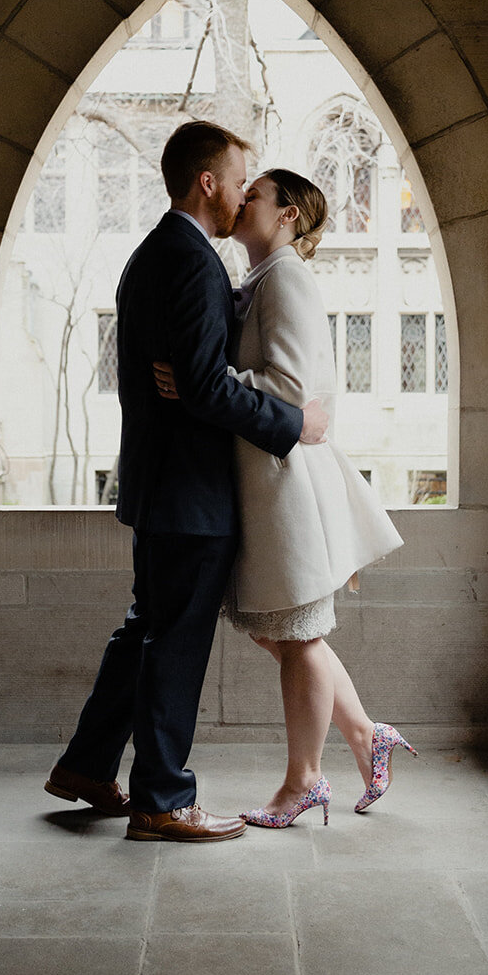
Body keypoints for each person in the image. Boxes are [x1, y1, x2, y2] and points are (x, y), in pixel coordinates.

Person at [44, 123, 328, 843]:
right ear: (208, 183)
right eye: (238, 180)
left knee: (145, 630)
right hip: (190, 494)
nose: (242, 193)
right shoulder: (194, 262)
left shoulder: (154, 254)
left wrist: (196, 386)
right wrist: (293, 424)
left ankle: (84, 766)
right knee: (173, 643)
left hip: (157, 483)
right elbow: (202, 387)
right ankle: (163, 800)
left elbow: (187, 382)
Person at [156, 169, 416, 828]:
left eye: (256, 194)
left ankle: (303, 781)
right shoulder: (263, 279)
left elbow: (294, 391)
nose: (242, 200)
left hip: (286, 489)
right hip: (266, 487)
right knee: (286, 635)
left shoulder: (287, 277)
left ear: (289, 214)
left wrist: (199, 383)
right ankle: (364, 734)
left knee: (296, 637)